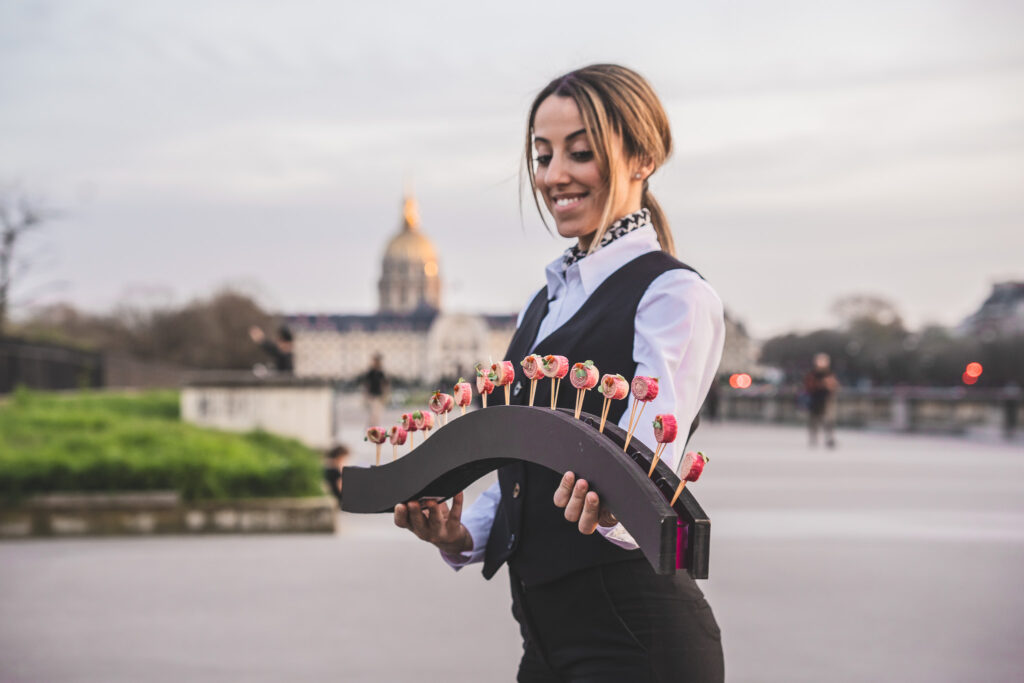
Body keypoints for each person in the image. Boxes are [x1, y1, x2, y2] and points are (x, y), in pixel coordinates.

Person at [393, 65, 726, 681]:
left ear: (643, 156)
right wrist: (458, 532)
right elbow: (522, 468)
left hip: (635, 643)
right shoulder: (541, 304)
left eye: (580, 152)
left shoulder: (672, 296)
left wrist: (614, 508)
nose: (553, 176)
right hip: (545, 644)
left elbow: (653, 470)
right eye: (542, 156)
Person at [804, 352, 839, 447]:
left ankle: (829, 438)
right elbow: (808, 386)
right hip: (815, 399)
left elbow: (834, 386)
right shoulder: (812, 374)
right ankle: (813, 438)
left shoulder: (829, 374)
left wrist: (827, 384)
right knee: (814, 420)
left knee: (829, 421)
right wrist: (819, 384)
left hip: (827, 400)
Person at [356, 354, 389, 426]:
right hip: (372, 395)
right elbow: (366, 384)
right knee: (373, 412)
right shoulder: (371, 372)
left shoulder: (380, 372)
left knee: (376, 413)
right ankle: (372, 426)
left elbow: (384, 384)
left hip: (378, 395)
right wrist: (366, 394)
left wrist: (385, 394)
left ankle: (373, 426)